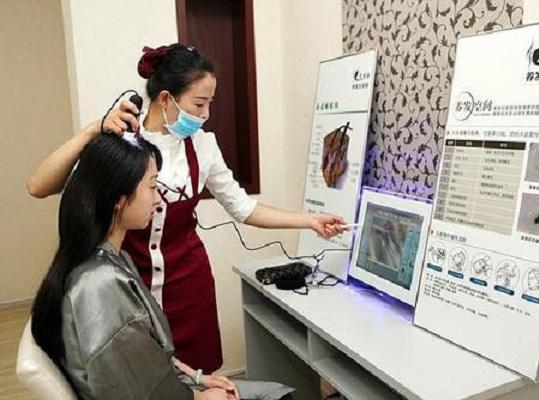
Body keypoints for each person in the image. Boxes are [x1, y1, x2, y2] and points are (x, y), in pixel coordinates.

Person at [27, 43, 346, 373]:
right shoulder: (121, 141)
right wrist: (94, 129)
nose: (206, 114)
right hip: (128, 285)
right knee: (140, 377)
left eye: (210, 103)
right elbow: (38, 186)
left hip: (190, 287)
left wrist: (309, 220)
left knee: (199, 377)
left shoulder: (204, 146)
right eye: (199, 103)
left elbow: (244, 208)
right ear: (166, 99)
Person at [31, 134, 294, 400]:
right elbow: (140, 390)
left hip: (176, 375)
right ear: (119, 199)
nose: (159, 200)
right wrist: (203, 397)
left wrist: (197, 378)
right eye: (153, 186)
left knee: (270, 391)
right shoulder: (100, 285)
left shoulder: (108, 262)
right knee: (277, 394)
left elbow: (147, 361)